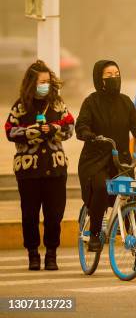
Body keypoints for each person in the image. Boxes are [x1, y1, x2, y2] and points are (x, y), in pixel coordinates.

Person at [76, 60, 136, 277]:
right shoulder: (91, 102)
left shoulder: (125, 102)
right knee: (101, 187)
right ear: (99, 79)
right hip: (95, 160)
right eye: (109, 74)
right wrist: (89, 135)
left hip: (120, 161)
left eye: (117, 73)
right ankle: (94, 235)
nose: (114, 77)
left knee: (130, 201)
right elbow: (81, 125)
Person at [5, 60, 74, 271]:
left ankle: (51, 254)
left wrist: (53, 129)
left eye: (48, 81)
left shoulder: (57, 103)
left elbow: (69, 126)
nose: (46, 85)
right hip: (29, 171)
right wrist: (32, 132)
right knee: (30, 215)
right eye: (42, 81)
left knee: (54, 215)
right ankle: (33, 254)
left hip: (55, 169)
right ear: (31, 83)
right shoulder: (20, 105)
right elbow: (9, 131)